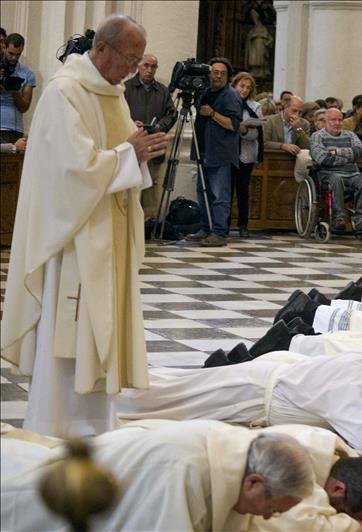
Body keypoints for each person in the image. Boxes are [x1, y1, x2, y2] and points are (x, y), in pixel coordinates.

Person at [0, 14, 170, 438]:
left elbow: (114, 156)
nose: (132, 69)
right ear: (101, 49)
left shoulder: (113, 94)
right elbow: (70, 172)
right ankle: (54, 426)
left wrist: (139, 155)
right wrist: (126, 154)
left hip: (106, 233)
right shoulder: (64, 92)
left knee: (101, 332)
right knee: (68, 335)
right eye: (128, 59)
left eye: (138, 61)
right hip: (73, 238)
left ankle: (96, 428)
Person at [1, 420, 315, 530]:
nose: (266, 517)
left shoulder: (237, 453)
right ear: (255, 483)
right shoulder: (185, 472)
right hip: (56, 498)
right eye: (272, 511)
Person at [119, 349, 362, 450]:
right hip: (247, 393)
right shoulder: (359, 381)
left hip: (255, 390)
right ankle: (105, 396)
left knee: (174, 392)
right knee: (161, 401)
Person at [188, 56, 242, 247]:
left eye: (222, 73)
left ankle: (219, 232)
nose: (218, 76)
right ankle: (206, 228)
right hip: (204, 150)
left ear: (228, 77)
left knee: (219, 196)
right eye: (215, 72)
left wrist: (212, 113)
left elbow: (234, 125)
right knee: (203, 193)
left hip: (220, 153)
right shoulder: (205, 91)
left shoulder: (231, 95)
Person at [123, 53, 177, 218]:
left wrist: (161, 125)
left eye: (153, 67)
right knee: (130, 183)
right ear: (138, 66)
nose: (149, 70)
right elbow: (119, 112)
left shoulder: (162, 90)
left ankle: (148, 223)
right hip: (133, 142)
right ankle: (129, 221)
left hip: (154, 143)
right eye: (146, 65)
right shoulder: (126, 88)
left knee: (151, 184)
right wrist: (131, 123)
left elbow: (172, 113)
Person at [310, 108, 362, 232]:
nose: (337, 123)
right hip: (328, 174)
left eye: (340, 120)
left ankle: (360, 218)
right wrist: (348, 157)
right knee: (336, 178)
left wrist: (335, 152)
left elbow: (359, 151)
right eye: (333, 120)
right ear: (326, 121)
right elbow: (322, 158)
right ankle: (337, 218)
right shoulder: (317, 136)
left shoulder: (350, 135)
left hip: (352, 173)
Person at [230, 72, 263, 238]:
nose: (244, 90)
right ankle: (224, 223)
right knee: (226, 190)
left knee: (242, 190)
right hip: (228, 152)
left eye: (248, 88)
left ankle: (243, 225)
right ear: (235, 85)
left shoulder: (255, 107)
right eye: (242, 86)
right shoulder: (227, 101)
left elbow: (256, 133)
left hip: (246, 153)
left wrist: (243, 130)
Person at [0, 33, 36, 144]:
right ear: (4, 48)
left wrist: (14, 91)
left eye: (18, 54)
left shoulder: (27, 73)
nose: (14, 58)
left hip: (14, 129)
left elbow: (24, 107)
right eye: (11, 53)